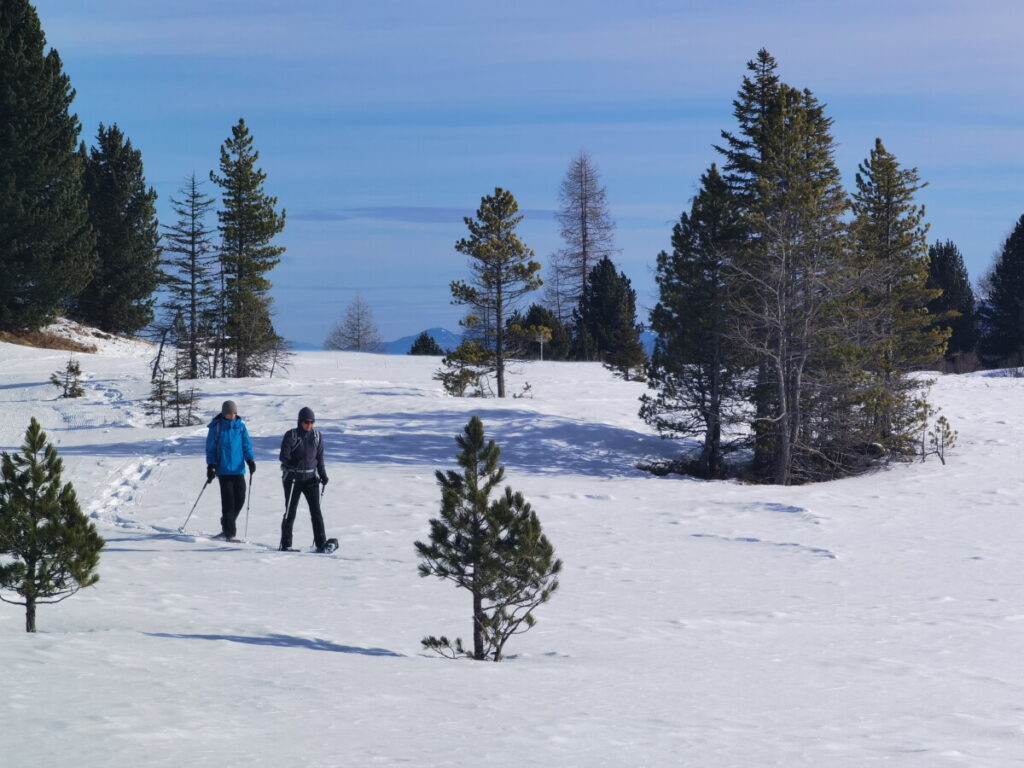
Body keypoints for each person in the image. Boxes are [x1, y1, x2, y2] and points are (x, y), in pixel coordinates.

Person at [278, 406, 332, 552]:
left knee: (316, 512)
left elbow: (319, 459)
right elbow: (283, 456)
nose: (309, 425)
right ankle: (286, 544)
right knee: (291, 511)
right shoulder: (291, 435)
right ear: (300, 421)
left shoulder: (317, 436)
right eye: (307, 422)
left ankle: (321, 543)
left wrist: (323, 474)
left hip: (310, 479)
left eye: (312, 422)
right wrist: (291, 463)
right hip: (293, 479)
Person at [205, 400, 256, 541]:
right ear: (223, 413)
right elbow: (211, 449)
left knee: (240, 499)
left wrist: (250, 460)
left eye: (233, 413)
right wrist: (211, 466)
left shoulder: (240, 427)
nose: (231, 416)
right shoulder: (216, 427)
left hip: (239, 469)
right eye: (228, 413)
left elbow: (246, 445)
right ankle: (229, 534)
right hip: (224, 469)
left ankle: (227, 522)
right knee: (228, 502)